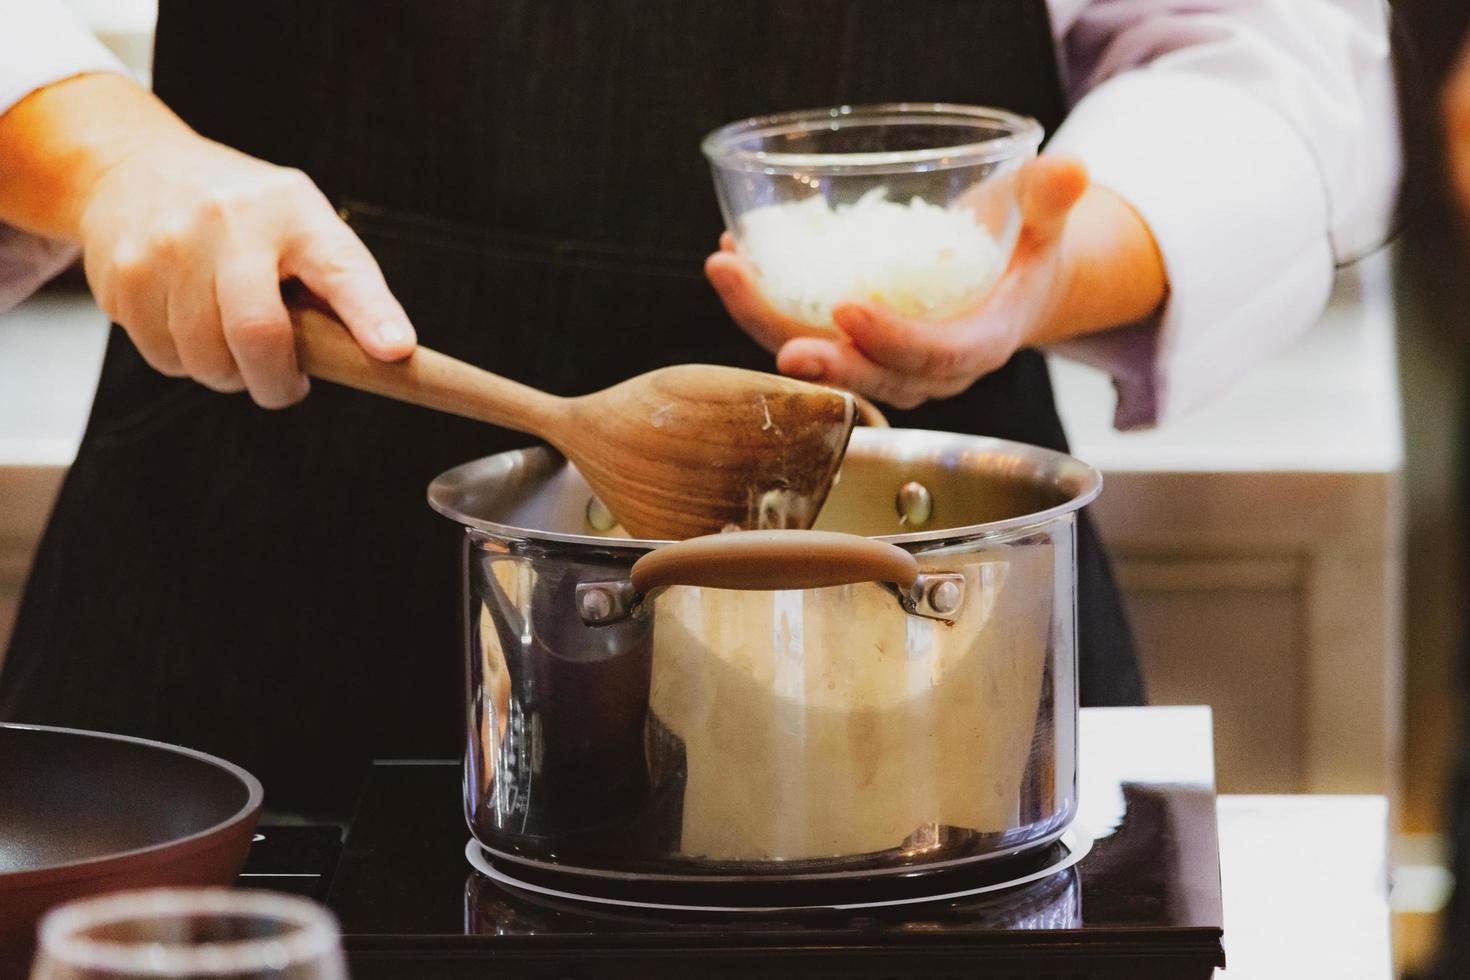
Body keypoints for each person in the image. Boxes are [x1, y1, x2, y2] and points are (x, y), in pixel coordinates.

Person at [0, 0, 1400, 817]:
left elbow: (1268, 60)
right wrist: (106, 153)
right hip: (249, 552)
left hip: (926, 594)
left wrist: (1033, 276)